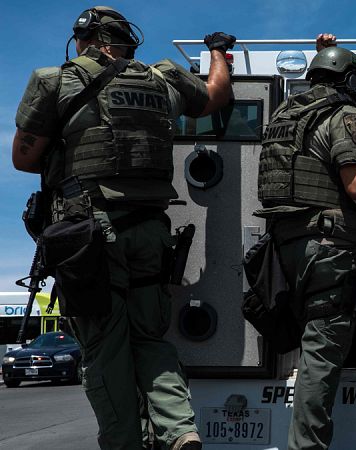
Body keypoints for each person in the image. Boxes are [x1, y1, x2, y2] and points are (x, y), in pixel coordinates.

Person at [12, 6, 235, 449]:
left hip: (90, 235)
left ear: (88, 40)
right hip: (152, 230)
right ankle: (179, 430)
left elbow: (23, 158)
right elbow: (216, 95)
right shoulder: (163, 80)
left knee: (105, 350)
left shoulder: (55, 80)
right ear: (126, 42)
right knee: (150, 338)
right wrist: (216, 51)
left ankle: (122, 442)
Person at [255, 34, 356, 450]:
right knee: (321, 354)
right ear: (350, 81)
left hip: (286, 247)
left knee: (310, 344)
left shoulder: (285, 113)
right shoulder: (344, 115)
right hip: (329, 248)